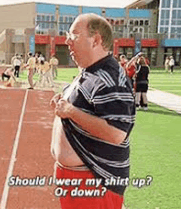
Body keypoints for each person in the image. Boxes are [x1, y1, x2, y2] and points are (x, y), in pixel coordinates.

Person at [50, 13, 135, 209]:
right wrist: (65, 105)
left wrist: (71, 111)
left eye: (74, 35)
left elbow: (116, 133)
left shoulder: (110, 78)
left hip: (94, 182)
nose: (67, 41)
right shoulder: (90, 72)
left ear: (96, 40)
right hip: (79, 180)